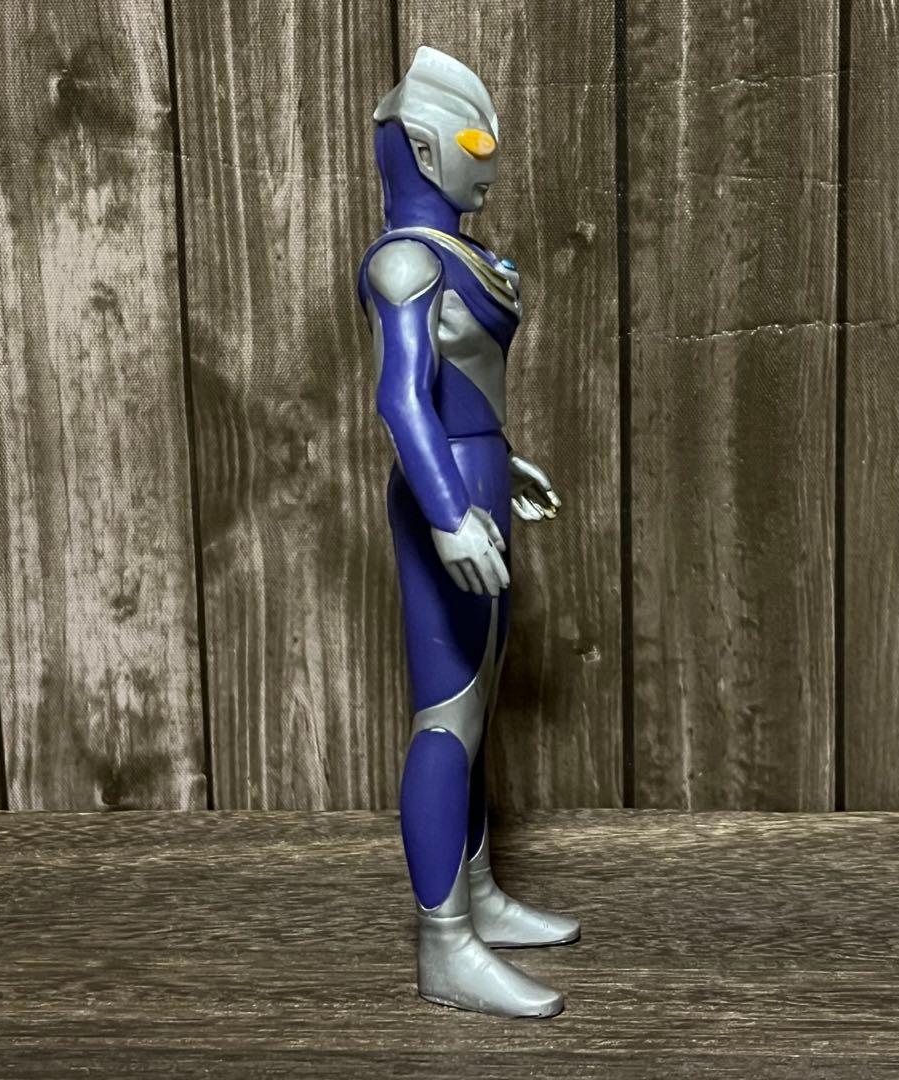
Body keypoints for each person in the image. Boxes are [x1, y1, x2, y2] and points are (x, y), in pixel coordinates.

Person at [357, 46, 579, 1018]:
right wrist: (449, 511)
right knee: (447, 713)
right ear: (421, 147)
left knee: (476, 706)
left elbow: (458, 387)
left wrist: (499, 458)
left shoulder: (451, 254)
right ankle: (443, 943)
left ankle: (476, 894)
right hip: (445, 493)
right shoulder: (406, 260)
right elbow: (401, 399)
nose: (490, 161)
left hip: (475, 474)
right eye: (475, 143)